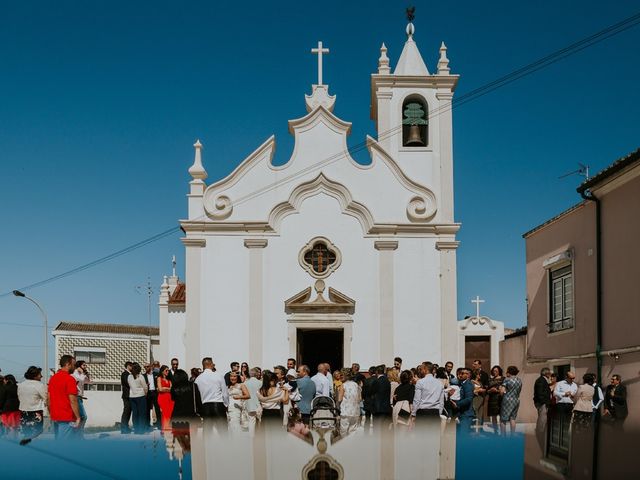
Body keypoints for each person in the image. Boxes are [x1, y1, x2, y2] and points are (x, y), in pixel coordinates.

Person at [48, 355, 81, 439]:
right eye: (73, 365)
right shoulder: (69, 379)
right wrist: (78, 417)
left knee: (58, 441)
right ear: (67, 364)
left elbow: (48, 398)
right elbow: (73, 400)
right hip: (67, 416)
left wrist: (50, 412)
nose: (74, 368)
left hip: (55, 416)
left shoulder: (53, 378)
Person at [194, 357, 229, 431]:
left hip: (205, 406)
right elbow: (225, 393)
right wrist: (226, 405)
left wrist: (200, 410)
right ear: (211, 364)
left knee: (207, 433)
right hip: (218, 404)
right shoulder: (218, 376)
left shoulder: (198, 379)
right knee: (223, 433)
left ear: (203, 365)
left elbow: (197, 396)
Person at [17, 366, 47, 439]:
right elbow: (46, 398)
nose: (41, 376)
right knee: (36, 432)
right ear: (35, 375)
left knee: (26, 432)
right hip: (35, 412)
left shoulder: (21, 385)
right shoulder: (39, 385)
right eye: (40, 374)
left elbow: (19, 397)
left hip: (23, 411)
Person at [500, 366, 522, 435]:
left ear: (509, 372)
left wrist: (501, 390)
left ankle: (503, 436)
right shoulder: (519, 380)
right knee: (512, 419)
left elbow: (502, 391)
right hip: (516, 400)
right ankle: (512, 435)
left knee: (503, 419)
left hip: (507, 400)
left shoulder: (507, 379)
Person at [337, 369, 361, 433]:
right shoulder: (356, 385)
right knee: (353, 431)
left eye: (341, 375)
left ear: (346, 376)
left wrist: (337, 409)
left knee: (343, 431)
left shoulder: (343, 385)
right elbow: (360, 398)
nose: (340, 377)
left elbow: (339, 399)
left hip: (345, 411)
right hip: (355, 411)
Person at [128, 363, 148, 434]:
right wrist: (146, 393)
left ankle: (136, 429)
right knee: (142, 414)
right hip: (141, 396)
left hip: (132, 396)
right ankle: (141, 430)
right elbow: (145, 386)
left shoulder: (129, 377)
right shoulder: (141, 376)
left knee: (135, 413)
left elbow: (130, 385)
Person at [72, 360, 89, 435]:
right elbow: (81, 379)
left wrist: (86, 374)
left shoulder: (81, 374)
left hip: (80, 398)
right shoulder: (74, 374)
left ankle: (78, 434)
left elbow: (88, 381)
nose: (85, 367)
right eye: (84, 365)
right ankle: (79, 434)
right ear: (79, 367)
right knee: (83, 416)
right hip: (76, 397)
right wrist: (82, 373)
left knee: (80, 417)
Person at [533, 367, 551, 434]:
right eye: (549, 373)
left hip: (541, 402)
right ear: (546, 373)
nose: (550, 375)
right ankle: (540, 433)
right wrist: (544, 402)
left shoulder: (543, 380)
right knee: (542, 418)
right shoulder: (541, 380)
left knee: (542, 418)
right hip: (541, 403)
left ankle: (540, 432)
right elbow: (540, 393)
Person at [244, 367, 262, 433]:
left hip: (248, 404)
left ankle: (251, 438)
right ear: (257, 374)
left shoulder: (245, 383)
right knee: (260, 423)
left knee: (251, 423)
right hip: (258, 404)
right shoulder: (260, 383)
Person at [157, 365, 174, 431]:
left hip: (170, 397)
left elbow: (172, 389)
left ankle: (169, 427)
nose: (167, 372)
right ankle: (165, 428)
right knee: (164, 412)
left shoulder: (169, 379)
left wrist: (165, 388)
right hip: (162, 397)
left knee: (170, 412)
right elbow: (160, 389)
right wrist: (168, 389)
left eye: (168, 370)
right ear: (162, 371)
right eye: (166, 370)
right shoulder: (159, 378)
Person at [486, 365, 504, 432]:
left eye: (496, 371)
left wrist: (498, 391)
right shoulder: (490, 379)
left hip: (500, 399)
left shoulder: (503, 379)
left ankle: (503, 431)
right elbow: (486, 391)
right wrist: (490, 391)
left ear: (499, 371)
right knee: (493, 416)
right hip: (492, 400)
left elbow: (506, 390)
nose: (494, 372)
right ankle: (495, 431)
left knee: (502, 416)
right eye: (493, 371)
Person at [144, 363, 161, 429]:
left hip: (155, 392)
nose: (146, 368)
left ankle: (159, 425)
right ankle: (147, 425)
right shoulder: (143, 375)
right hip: (148, 393)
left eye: (147, 366)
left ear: (151, 367)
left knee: (157, 408)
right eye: (145, 367)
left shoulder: (156, 374)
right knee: (147, 409)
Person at [120, 361, 133, 434]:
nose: (132, 368)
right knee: (126, 412)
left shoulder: (129, 374)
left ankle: (126, 427)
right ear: (128, 366)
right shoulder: (125, 374)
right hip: (126, 395)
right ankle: (124, 428)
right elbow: (127, 383)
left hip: (130, 395)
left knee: (128, 412)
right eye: (131, 366)